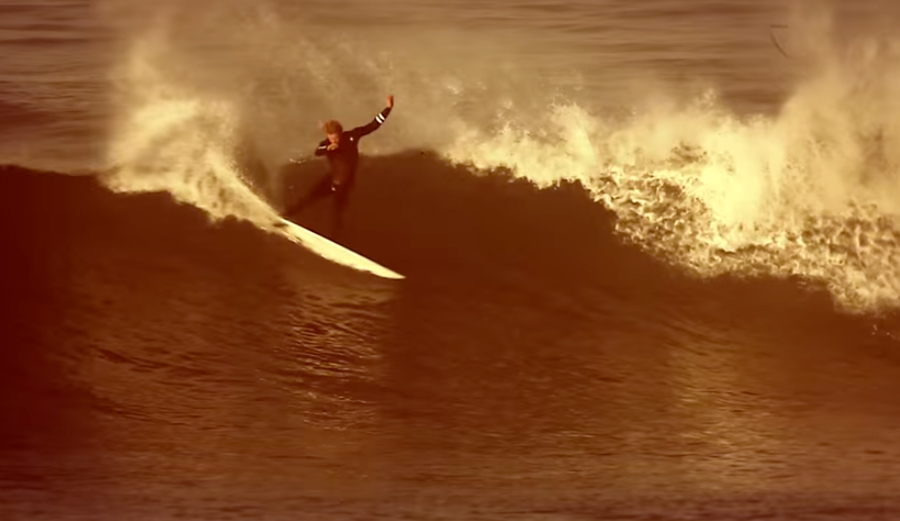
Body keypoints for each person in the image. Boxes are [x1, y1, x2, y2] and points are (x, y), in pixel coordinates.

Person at [283, 95, 395, 238]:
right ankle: (286, 215)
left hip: (345, 182)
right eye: (331, 137)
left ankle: (334, 237)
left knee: (338, 210)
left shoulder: (352, 136)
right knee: (309, 198)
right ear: (328, 136)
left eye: (336, 136)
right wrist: (328, 148)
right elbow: (318, 152)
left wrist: (388, 109)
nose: (334, 139)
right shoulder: (326, 144)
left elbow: (373, 125)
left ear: (341, 133)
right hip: (331, 179)